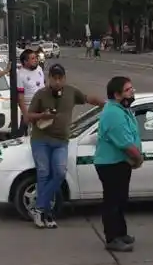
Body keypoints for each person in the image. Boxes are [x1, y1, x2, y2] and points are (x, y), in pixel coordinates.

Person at [24, 64, 104, 228]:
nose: (58, 82)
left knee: (59, 173)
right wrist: (42, 115)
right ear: (49, 79)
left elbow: (88, 99)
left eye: (61, 78)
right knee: (44, 173)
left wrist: (106, 103)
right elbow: (28, 117)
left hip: (61, 141)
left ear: (65, 78)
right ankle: (47, 214)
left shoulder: (71, 92)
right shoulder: (41, 94)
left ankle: (39, 208)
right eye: (55, 78)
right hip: (41, 140)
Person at [94, 76, 144, 252]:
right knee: (113, 201)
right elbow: (124, 143)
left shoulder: (122, 109)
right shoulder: (113, 113)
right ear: (117, 94)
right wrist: (138, 158)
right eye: (128, 90)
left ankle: (121, 233)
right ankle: (112, 237)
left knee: (121, 200)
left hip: (120, 163)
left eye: (132, 89)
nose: (132, 92)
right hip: (111, 164)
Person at [16, 49, 45, 137]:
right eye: (32, 58)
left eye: (36, 58)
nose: (36, 60)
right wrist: (26, 115)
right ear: (25, 61)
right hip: (30, 109)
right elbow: (20, 97)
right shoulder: (20, 74)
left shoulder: (39, 69)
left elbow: (44, 85)